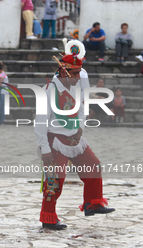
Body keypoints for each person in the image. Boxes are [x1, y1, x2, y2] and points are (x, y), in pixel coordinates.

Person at [34, 39, 115, 230]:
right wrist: (44, 149)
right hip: (55, 141)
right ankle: (48, 217)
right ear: (63, 71)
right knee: (56, 179)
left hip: (75, 138)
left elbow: (81, 108)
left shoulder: (75, 85)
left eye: (80, 72)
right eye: (76, 73)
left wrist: (80, 128)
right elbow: (40, 122)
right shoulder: (50, 90)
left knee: (93, 165)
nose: (80, 77)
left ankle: (92, 203)